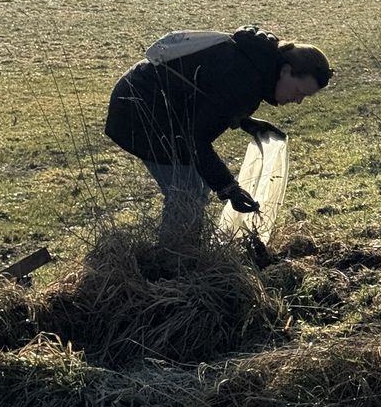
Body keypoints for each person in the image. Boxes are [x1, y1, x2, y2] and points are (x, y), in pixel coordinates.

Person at [105, 27, 333, 244]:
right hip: (140, 111)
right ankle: (174, 264)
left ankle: (184, 255)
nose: (298, 100)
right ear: (285, 71)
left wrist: (243, 120)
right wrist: (228, 187)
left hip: (155, 105)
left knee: (196, 186)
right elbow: (195, 139)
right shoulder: (245, 79)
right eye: (298, 91)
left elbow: (209, 97)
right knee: (187, 192)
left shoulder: (257, 62)